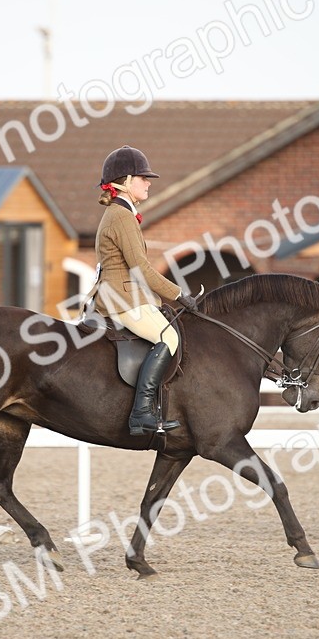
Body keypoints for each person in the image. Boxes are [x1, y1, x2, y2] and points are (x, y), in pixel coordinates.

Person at [89, 145, 198, 435]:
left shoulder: (120, 213)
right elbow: (141, 269)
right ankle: (142, 412)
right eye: (142, 178)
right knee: (168, 337)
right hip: (122, 298)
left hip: (123, 294)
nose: (148, 183)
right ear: (125, 182)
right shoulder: (121, 216)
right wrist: (179, 295)